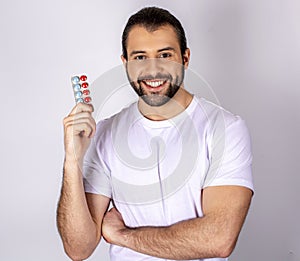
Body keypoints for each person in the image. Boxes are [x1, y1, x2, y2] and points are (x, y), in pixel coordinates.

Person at [57, 6, 253, 261]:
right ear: (125, 63)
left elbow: (219, 239)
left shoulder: (225, 128)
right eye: (140, 57)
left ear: (185, 58)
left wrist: (122, 236)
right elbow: (78, 249)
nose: (152, 70)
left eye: (164, 55)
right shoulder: (105, 133)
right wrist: (72, 160)